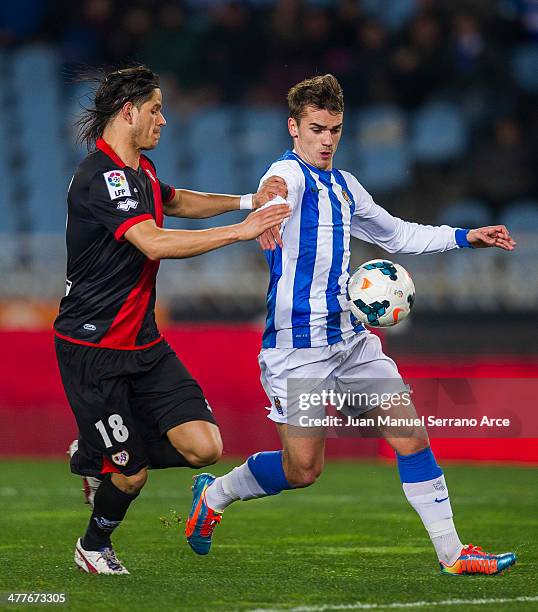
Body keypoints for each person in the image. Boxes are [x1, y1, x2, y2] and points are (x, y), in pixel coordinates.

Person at [185, 74, 518, 576]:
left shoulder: (344, 188)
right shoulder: (287, 174)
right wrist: (269, 208)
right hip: (298, 348)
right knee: (303, 469)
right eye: (316, 128)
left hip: (352, 339)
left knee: (412, 436)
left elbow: (398, 236)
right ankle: (214, 495)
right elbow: (274, 186)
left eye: (335, 129)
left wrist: (466, 236)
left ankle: (454, 554)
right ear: (293, 127)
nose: (326, 140)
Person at [54, 65, 290, 575]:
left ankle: (100, 452)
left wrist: (250, 201)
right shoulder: (104, 177)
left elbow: (177, 202)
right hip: (94, 350)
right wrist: (240, 231)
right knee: (131, 476)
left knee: (205, 447)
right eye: (156, 109)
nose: (164, 119)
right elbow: (154, 240)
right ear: (128, 111)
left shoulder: (142, 171)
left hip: (143, 342)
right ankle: (93, 546)